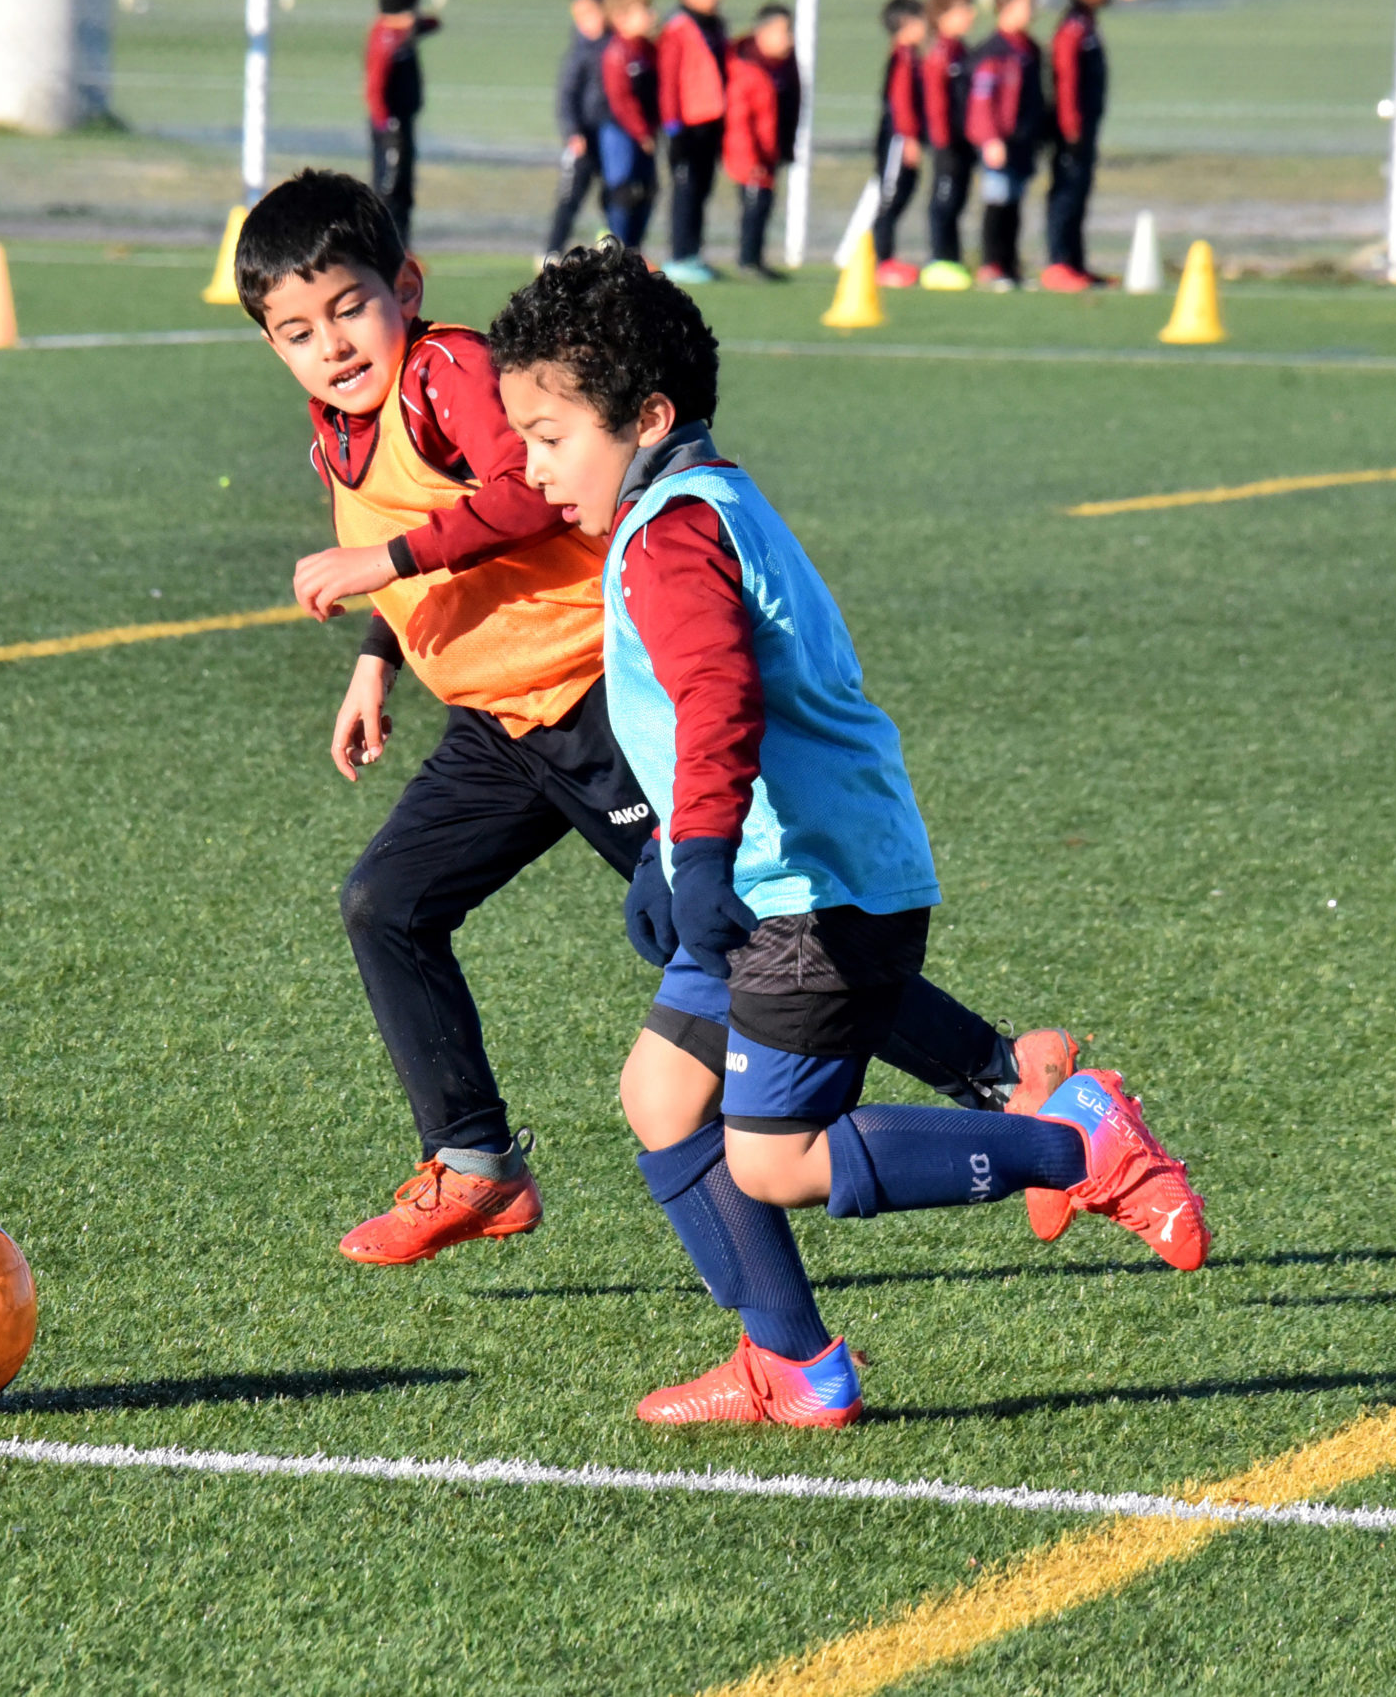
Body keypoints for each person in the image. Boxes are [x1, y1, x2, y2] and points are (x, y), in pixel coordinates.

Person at [234, 171, 1035, 1269]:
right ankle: (472, 1159)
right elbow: (427, 542)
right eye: (296, 331)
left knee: (757, 935)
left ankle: (1001, 1075)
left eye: (348, 308)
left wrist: (387, 559)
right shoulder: (337, 428)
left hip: (595, 701)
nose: (330, 344)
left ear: (404, 289)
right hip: (499, 725)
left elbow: (524, 488)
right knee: (387, 902)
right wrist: (378, 658)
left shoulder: (444, 374)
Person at [489, 243, 1212, 1424]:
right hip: (777, 873)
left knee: (773, 1155)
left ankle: (1075, 1144)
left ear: (648, 418)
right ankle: (797, 1365)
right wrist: (675, 847)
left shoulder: (671, 535)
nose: (532, 465)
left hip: (809, 891)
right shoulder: (706, 503)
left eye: (549, 435)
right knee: (662, 1097)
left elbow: (719, 699)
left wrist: (698, 854)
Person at [966, 0, 1044, 292]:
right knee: (997, 200)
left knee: (1014, 202)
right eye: (1026, 3)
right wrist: (989, 138)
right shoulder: (994, 51)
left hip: (1022, 141)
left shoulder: (1028, 49)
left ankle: (1010, 265)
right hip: (999, 141)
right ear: (1005, 6)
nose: (1032, 9)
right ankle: (991, 264)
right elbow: (982, 99)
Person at [722, 3, 799, 281]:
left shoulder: (785, 66)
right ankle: (748, 260)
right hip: (750, 154)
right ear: (762, 33)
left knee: (764, 204)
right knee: (754, 205)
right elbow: (739, 121)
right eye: (783, 31)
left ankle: (756, 259)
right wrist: (749, 159)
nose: (789, 38)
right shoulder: (745, 67)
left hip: (770, 151)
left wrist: (785, 146)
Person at [657, 0, 729, 283]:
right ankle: (680, 255)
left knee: (702, 188)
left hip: (712, 119)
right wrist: (673, 126)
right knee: (685, 189)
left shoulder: (715, 25)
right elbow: (669, 80)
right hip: (686, 124)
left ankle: (694, 253)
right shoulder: (677, 28)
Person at [1040, 0, 1109, 293]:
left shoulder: (1086, 23)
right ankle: (1059, 263)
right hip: (1072, 128)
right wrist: (1070, 125)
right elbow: (1065, 79)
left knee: (1080, 193)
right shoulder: (1072, 28)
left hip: (1085, 125)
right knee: (1066, 193)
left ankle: (1076, 264)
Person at [363, 0, 440, 245]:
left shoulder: (404, 34)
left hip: (403, 123)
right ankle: (385, 244)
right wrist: (386, 125)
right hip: (390, 127)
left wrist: (413, 25)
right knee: (390, 187)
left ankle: (403, 244)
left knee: (404, 189)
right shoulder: (385, 39)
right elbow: (374, 87)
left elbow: (433, 23)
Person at [916, 0, 977, 292]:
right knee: (944, 200)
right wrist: (943, 143)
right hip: (948, 143)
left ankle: (953, 258)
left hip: (964, 140)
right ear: (942, 17)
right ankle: (940, 259)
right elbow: (936, 102)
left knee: (958, 199)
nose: (970, 16)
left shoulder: (960, 50)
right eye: (963, 10)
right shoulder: (939, 54)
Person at [546, 0, 612, 259]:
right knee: (570, 197)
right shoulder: (578, 53)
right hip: (584, 137)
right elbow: (566, 97)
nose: (585, 21)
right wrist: (572, 132)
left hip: (612, 135)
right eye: (579, 16)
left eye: (589, 13)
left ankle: (612, 248)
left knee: (615, 196)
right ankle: (552, 251)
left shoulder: (616, 45)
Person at [869, 0, 929, 288]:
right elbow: (901, 103)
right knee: (890, 198)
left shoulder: (912, 56)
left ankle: (887, 259)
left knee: (902, 193)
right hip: (896, 140)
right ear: (906, 24)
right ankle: (880, 261)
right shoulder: (903, 59)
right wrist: (908, 138)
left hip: (902, 138)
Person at [600, 0, 662, 250]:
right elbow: (621, 100)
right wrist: (641, 132)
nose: (651, 16)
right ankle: (617, 249)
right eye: (643, 12)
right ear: (621, 18)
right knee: (623, 190)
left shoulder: (648, 49)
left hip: (647, 132)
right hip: (621, 133)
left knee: (647, 189)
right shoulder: (618, 53)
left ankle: (634, 250)